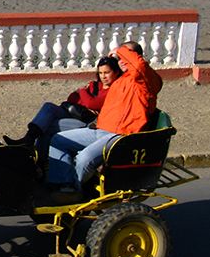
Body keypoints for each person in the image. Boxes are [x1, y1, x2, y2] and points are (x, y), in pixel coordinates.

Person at [45, 42, 162, 192]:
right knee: (58, 140)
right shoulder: (120, 80)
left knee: (84, 159)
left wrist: (119, 51)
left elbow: (139, 67)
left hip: (122, 136)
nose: (120, 61)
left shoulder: (148, 81)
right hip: (101, 130)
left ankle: (74, 191)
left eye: (124, 57)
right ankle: (61, 184)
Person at [4, 56, 123, 169]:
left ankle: (39, 160)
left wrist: (83, 92)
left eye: (107, 73)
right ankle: (29, 139)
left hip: (87, 123)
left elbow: (92, 103)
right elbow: (72, 98)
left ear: (116, 72)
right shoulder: (95, 85)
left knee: (48, 127)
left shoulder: (114, 89)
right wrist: (86, 97)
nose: (103, 76)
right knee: (49, 107)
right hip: (74, 114)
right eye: (101, 73)